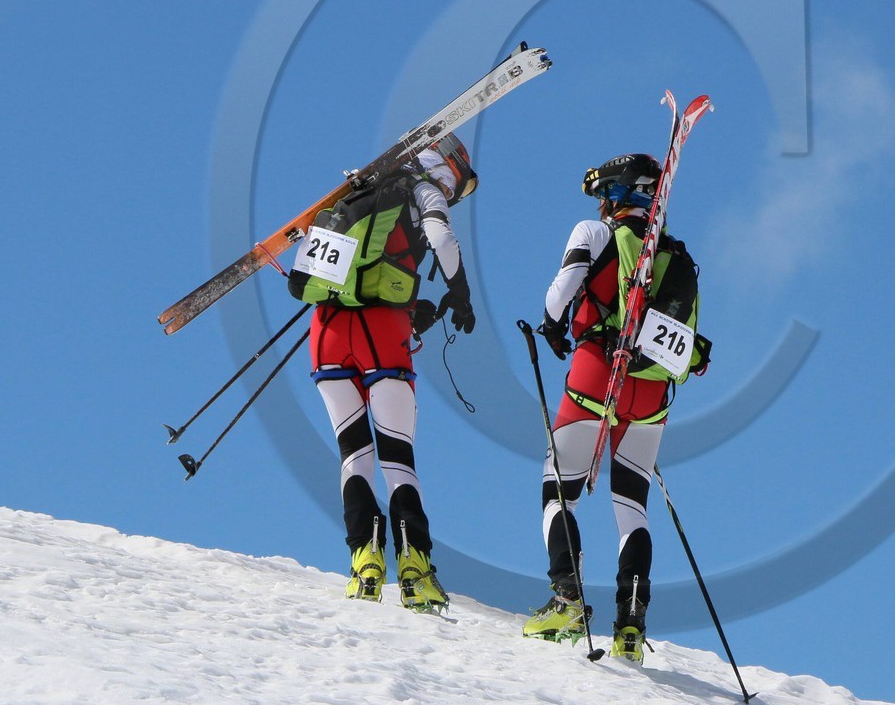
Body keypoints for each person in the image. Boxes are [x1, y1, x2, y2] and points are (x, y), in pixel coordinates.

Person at [523, 153, 706, 662]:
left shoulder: (595, 231)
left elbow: (560, 294)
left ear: (621, 195)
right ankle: (630, 623)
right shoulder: (678, 258)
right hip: (649, 394)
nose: (601, 204)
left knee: (558, 492)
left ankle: (567, 598)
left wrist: (552, 325)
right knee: (632, 507)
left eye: (606, 195)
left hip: (595, 373)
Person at [286, 133, 478, 613]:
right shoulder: (422, 187)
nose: (455, 193)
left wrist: (418, 307)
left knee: (354, 454)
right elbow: (441, 237)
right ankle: (415, 568)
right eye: (460, 184)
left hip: (326, 332)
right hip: (381, 333)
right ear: (449, 165)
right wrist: (461, 292)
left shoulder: (357, 194)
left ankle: (364, 562)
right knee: (398, 458)